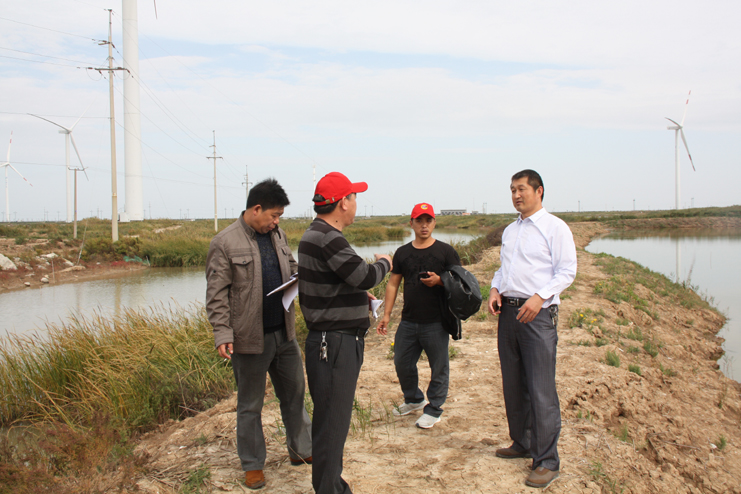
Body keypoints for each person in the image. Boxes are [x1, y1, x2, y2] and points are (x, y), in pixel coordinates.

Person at [206, 178, 312, 490]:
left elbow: (292, 267)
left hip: (285, 334)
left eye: (279, 216)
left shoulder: (278, 235)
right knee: (250, 405)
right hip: (249, 340)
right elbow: (216, 294)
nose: (276, 221)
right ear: (256, 209)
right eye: (274, 215)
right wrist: (222, 332)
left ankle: (301, 449)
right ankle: (253, 465)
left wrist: (303, 278)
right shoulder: (224, 242)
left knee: (294, 394)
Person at [298, 172, 392, 494]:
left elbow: (331, 283)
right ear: (342, 203)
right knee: (332, 424)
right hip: (335, 344)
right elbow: (364, 275)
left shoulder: (314, 234)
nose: (355, 203)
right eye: (353, 197)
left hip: (331, 342)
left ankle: (332, 484)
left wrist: (356, 297)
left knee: (330, 421)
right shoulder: (329, 237)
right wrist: (385, 262)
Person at [486, 169, 577, 489]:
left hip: (537, 315)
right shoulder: (511, 230)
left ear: (539, 191)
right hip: (509, 313)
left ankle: (547, 461)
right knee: (513, 383)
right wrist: (495, 289)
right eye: (512, 189)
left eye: (522, 189)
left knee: (540, 388)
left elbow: (567, 271)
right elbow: (504, 269)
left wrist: (540, 297)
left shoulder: (555, 227)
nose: (516, 195)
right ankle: (522, 442)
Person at [377, 203, 461, 429]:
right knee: (402, 363)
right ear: (411, 223)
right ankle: (414, 399)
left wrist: (440, 281)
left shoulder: (445, 251)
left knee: (439, 367)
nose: (424, 225)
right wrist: (386, 315)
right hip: (408, 320)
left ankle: (434, 409)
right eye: (419, 221)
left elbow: (460, 281)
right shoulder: (403, 252)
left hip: (437, 321)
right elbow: (393, 284)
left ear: (434, 222)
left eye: (428, 220)